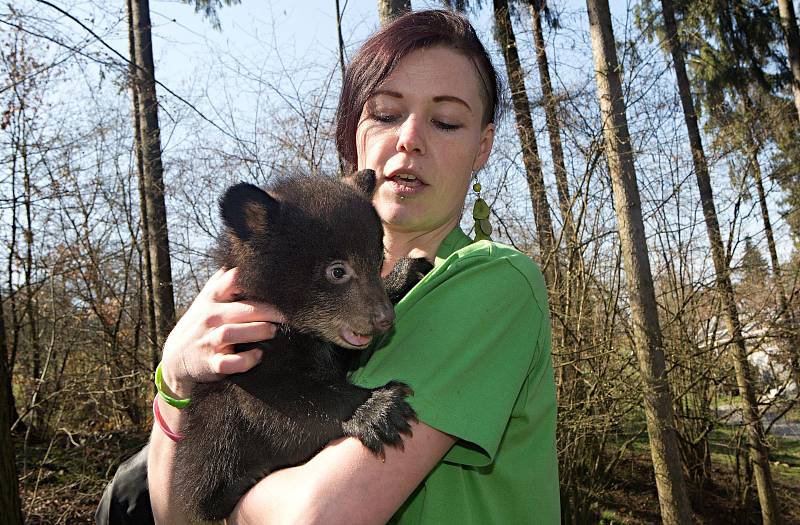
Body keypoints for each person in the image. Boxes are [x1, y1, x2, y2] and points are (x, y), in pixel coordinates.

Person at [100, 9, 559, 525]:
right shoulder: (277, 287)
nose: (410, 138)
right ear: (353, 132)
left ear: (483, 146)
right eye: (386, 114)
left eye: (446, 121)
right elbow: (170, 511)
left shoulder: (493, 282)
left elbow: (315, 516)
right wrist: (177, 379)